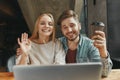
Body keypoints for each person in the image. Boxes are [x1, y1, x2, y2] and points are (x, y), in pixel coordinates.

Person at [57, 10, 112, 77]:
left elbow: (104, 73)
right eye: (65, 27)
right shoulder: (57, 44)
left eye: (72, 25)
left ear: (79, 26)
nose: (69, 30)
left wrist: (103, 52)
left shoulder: (91, 45)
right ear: (62, 30)